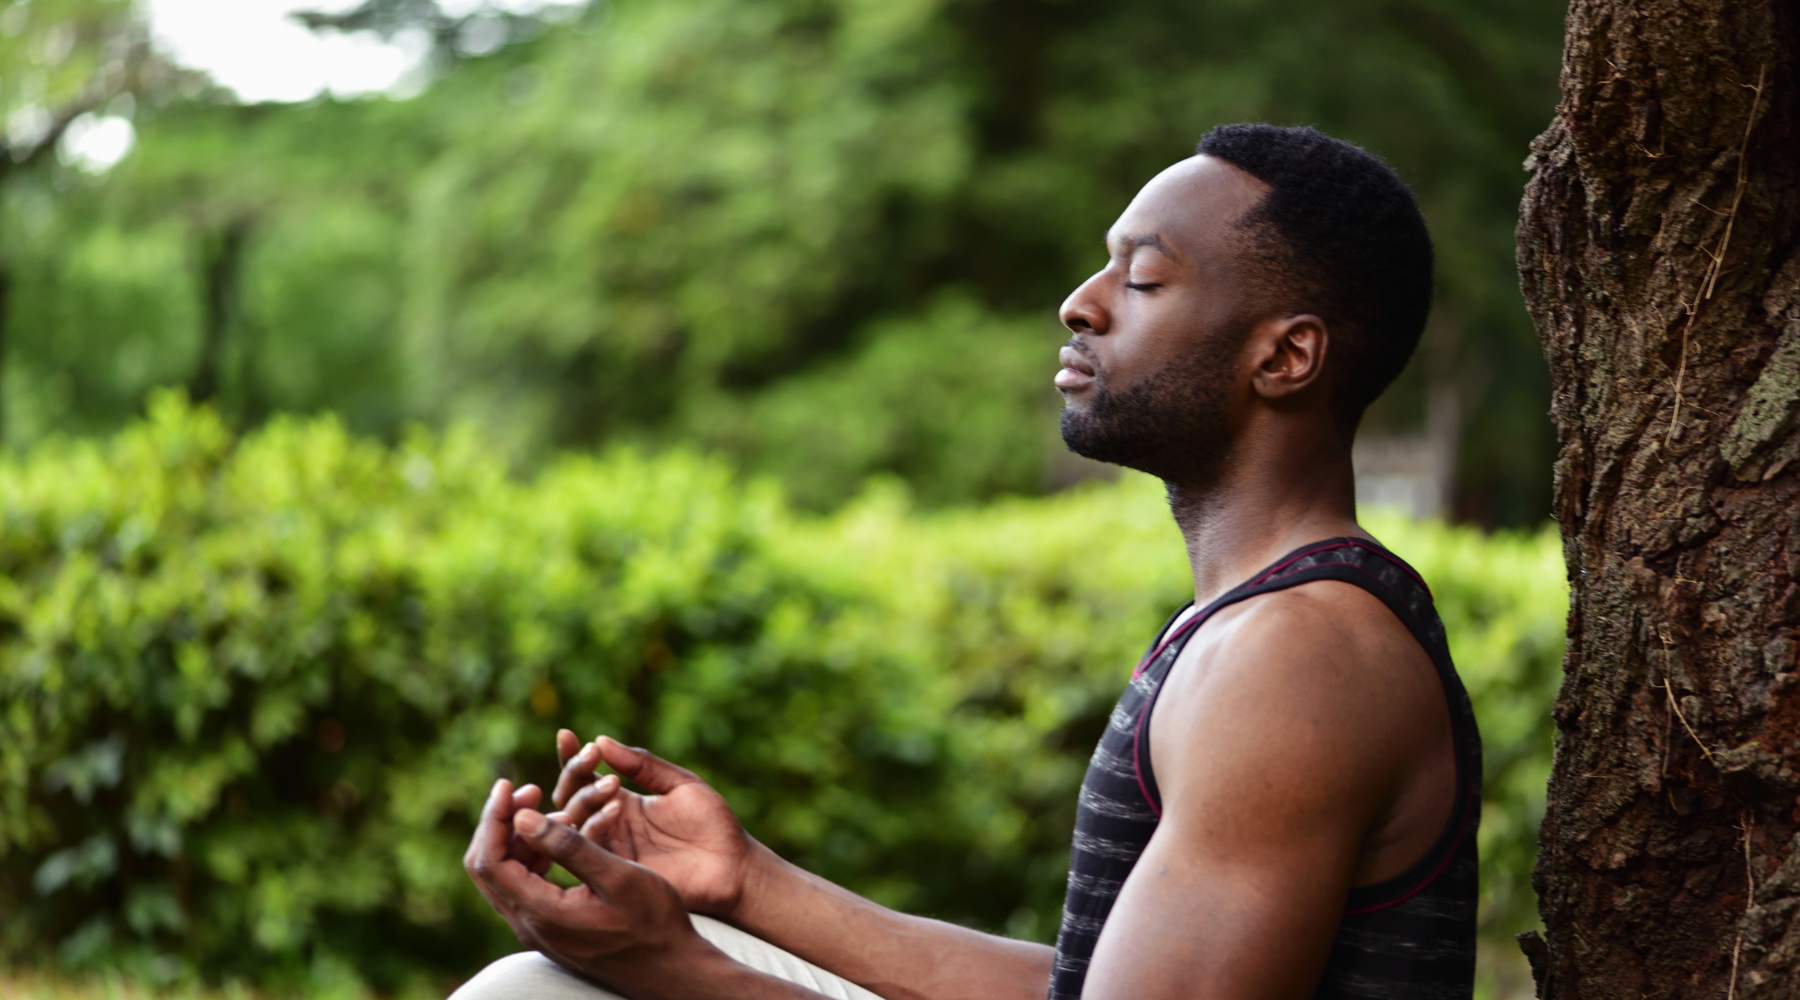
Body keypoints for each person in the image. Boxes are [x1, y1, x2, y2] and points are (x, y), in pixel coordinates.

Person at [455, 122, 1480, 1000]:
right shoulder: (1263, 623)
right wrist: (743, 882)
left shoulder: (1299, 655)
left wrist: (686, 971)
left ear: (1283, 357)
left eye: (1144, 277)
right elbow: (1091, 980)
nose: (1082, 303)